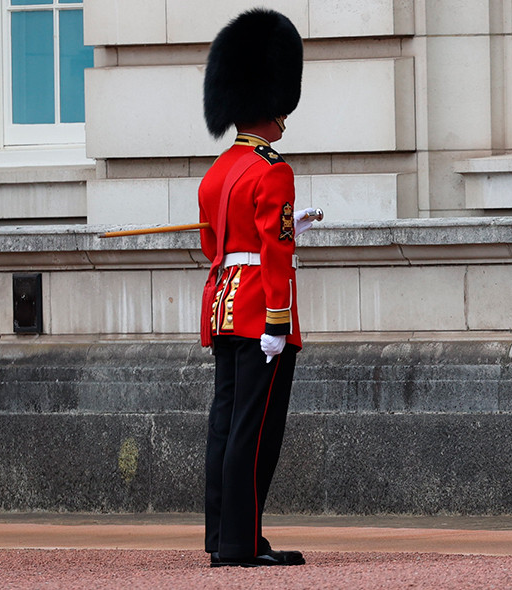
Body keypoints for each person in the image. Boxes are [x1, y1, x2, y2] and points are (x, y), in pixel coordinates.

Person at [198, 8, 318, 568]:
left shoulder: (220, 168)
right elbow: (276, 250)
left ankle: (224, 535)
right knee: (256, 431)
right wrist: (277, 320)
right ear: (277, 104)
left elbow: (211, 245)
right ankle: (242, 546)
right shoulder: (274, 169)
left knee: (226, 423)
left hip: (223, 305)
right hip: (258, 312)